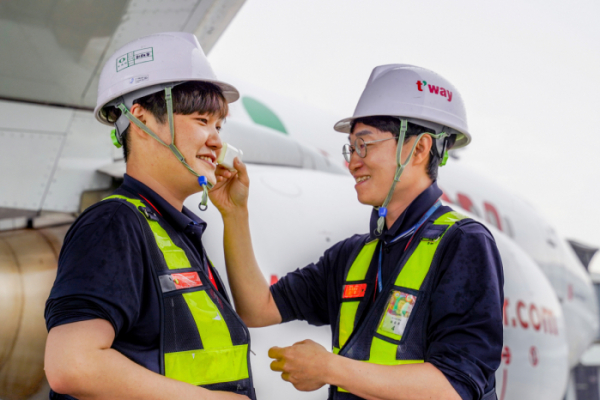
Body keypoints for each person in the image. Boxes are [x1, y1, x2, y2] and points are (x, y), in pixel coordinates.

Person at [210, 64, 503, 400]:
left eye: (365, 145)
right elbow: (258, 308)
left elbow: (454, 388)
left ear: (420, 149)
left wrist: (329, 368)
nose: (353, 162)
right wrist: (235, 214)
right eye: (351, 148)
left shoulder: (463, 244)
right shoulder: (354, 256)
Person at [44, 32, 254, 400]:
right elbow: (71, 364)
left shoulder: (172, 232)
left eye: (219, 126)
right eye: (202, 119)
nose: (217, 140)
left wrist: (235, 215)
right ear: (140, 119)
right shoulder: (114, 224)